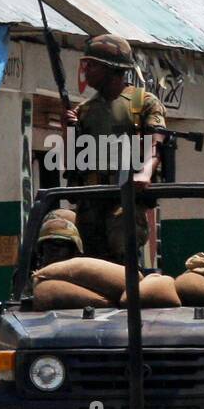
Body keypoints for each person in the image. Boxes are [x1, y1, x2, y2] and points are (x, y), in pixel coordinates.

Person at [64, 33, 167, 262]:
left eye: (93, 65)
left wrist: (146, 171)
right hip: (91, 201)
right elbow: (74, 162)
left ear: (112, 69)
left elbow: (157, 142)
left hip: (126, 199)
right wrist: (69, 131)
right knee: (90, 261)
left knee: (122, 256)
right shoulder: (85, 111)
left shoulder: (143, 103)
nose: (86, 70)